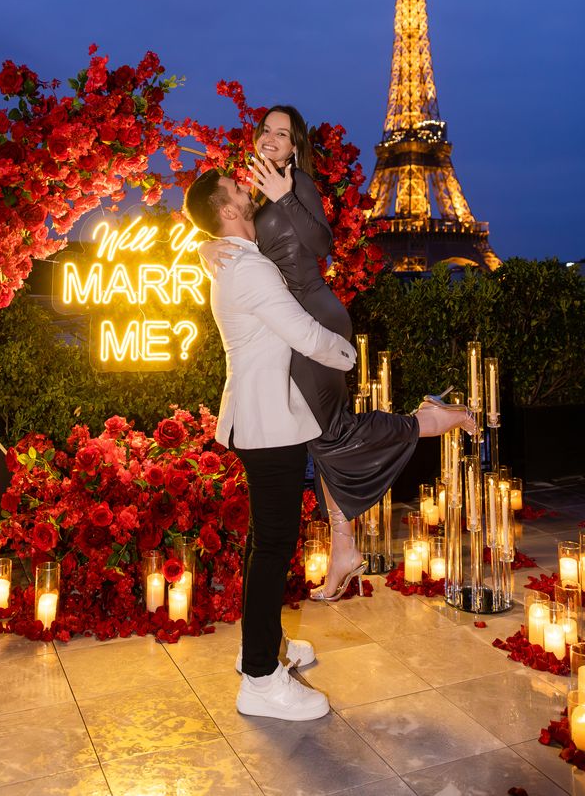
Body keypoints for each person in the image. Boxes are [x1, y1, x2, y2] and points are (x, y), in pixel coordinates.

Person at [201, 105, 476, 602]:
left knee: (330, 433)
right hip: (294, 323)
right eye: (266, 130)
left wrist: (287, 199)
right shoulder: (258, 201)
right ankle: (346, 544)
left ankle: (427, 420)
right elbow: (240, 245)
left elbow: (323, 243)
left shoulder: (296, 183)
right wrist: (205, 246)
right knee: (320, 436)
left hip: (315, 318)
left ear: (294, 147)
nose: (271, 139)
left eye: (282, 135)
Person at [183, 168, 356, 721]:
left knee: (267, 542)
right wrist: (350, 356)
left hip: (260, 417)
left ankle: (259, 649)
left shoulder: (236, 259)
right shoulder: (249, 267)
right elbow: (303, 332)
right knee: (274, 548)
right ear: (227, 210)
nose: (246, 190)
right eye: (237, 190)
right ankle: (259, 678)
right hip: (268, 422)